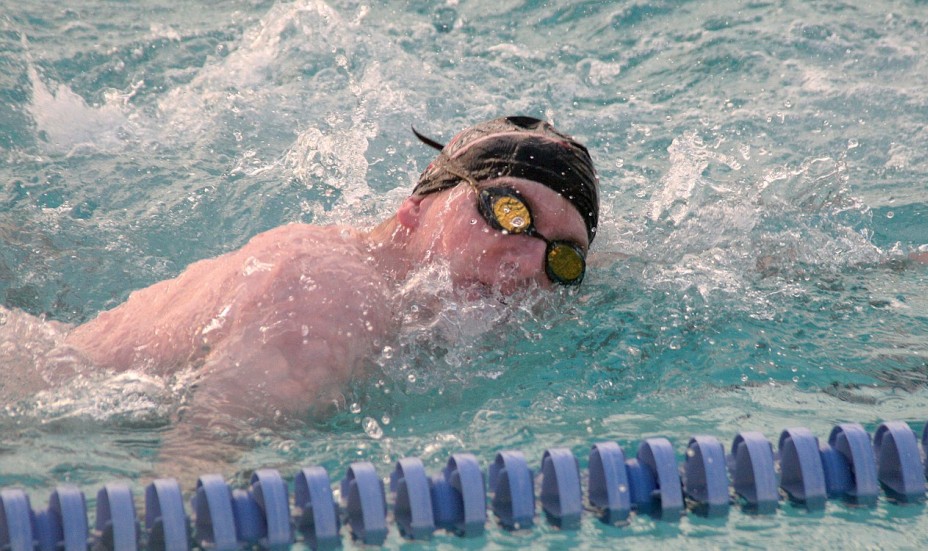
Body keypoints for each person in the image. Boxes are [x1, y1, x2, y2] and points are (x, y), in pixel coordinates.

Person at [64, 115, 599, 421]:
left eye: (564, 257)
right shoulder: (328, 295)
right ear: (416, 205)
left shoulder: (409, 300)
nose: (528, 265)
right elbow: (201, 471)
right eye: (508, 211)